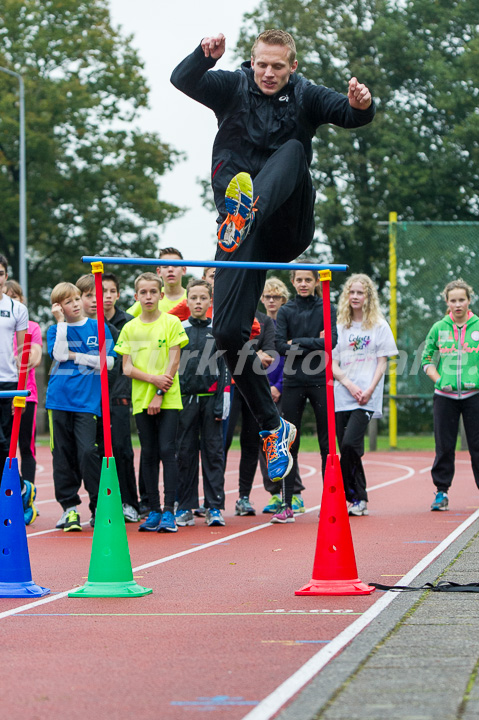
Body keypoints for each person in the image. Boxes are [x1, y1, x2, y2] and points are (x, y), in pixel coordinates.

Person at [171, 29, 375, 484]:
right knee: (226, 332)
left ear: (292, 68)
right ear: (252, 62)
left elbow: (351, 115)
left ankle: (249, 208)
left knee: (294, 149)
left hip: (285, 224)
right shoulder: (231, 85)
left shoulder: (305, 95)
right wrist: (202, 57)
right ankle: (271, 425)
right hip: (239, 235)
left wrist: (361, 103)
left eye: (278, 67)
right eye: (262, 65)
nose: (268, 74)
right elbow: (181, 80)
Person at [115, 272, 188, 533]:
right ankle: (154, 510)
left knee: (167, 451)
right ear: (136, 297)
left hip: (168, 399)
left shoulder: (171, 323)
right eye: (143, 293)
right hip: (140, 400)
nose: (148, 297)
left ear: (161, 295)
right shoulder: (130, 327)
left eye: (152, 292)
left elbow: (174, 359)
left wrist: (160, 391)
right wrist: (152, 380)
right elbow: (126, 367)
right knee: (148, 453)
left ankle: (170, 510)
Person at [46, 282, 115, 531]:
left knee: (87, 452)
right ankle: (70, 509)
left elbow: (108, 363)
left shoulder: (99, 327)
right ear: (59, 307)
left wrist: (78, 356)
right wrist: (61, 323)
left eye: (77, 299)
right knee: (62, 455)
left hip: (87, 402)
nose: (75, 304)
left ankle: (97, 507)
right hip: (59, 399)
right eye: (68, 302)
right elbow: (60, 355)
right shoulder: (56, 329)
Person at [274, 266, 337, 523]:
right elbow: (279, 346)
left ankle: (330, 503)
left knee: (327, 444)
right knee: (289, 443)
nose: (303, 283)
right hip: (293, 382)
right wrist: (313, 341)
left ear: (314, 282)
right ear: (292, 281)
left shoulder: (327, 308)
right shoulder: (286, 310)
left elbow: (331, 342)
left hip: (321, 380)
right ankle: (287, 505)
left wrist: (295, 343)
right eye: (299, 279)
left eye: (307, 279)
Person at [76, 273, 140, 523]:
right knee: (96, 452)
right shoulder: (82, 324)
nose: (105, 297)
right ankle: (101, 504)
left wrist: (112, 388)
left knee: (122, 450)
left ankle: (130, 503)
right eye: (99, 293)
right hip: (91, 400)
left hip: (118, 396)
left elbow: (120, 364)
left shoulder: (122, 325)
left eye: (110, 291)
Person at [332, 274, 398, 516]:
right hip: (343, 395)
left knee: (350, 444)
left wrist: (368, 390)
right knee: (348, 448)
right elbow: (333, 363)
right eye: (352, 292)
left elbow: (383, 363)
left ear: (369, 296)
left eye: (360, 293)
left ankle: (356, 496)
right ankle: (355, 499)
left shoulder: (379, 325)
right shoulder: (339, 326)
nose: (355, 297)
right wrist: (349, 384)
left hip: (366, 398)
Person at [421, 279, 479, 512]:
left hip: (474, 395)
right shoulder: (438, 328)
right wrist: (440, 380)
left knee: (477, 445)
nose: (457, 305)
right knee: (444, 445)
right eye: (453, 300)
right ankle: (441, 492)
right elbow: (426, 360)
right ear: (447, 302)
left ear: (469, 300)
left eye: (461, 300)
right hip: (444, 398)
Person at [176, 279, 227, 527]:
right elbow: (172, 367)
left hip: (211, 401)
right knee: (184, 454)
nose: (198, 302)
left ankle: (214, 507)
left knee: (213, 454)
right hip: (184, 402)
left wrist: (221, 403)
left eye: (202, 298)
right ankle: (185, 506)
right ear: (187, 300)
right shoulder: (179, 329)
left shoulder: (217, 330)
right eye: (193, 297)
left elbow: (225, 368)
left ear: (209, 301)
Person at [258, 277, 305, 514]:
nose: (271, 301)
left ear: (283, 299)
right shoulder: (259, 324)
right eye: (267, 296)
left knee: (286, 440)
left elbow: (290, 358)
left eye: (276, 296)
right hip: (262, 390)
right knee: (266, 441)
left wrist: (278, 386)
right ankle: (274, 493)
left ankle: (293, 492)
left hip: (285, 388)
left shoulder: (288, 323)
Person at [224, 307, 275, 516]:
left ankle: (243, 497)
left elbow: (269, 355)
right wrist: (254, 354)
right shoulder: (225, 314)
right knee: (222, 441)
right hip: (227, 386)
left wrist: (248, 355)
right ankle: (214, 499)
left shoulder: (264, 321)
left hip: (253, 386)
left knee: (251, 442)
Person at [0, 256, 36, 525]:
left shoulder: (16, 309)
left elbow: (24, 353)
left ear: (6, 276)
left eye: (0, 273)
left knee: (8, 446)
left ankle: (18, 489)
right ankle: (21, 488)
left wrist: (21, 392)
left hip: (10, 383)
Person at [5, 280, 43, 492]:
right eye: (7, 297)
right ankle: (15, 490)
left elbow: (34, 358)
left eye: (15, 297)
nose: (11, 302)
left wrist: (19, 358)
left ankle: (28, 495)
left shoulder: (33, 327)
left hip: (25, 396)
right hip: (3, 395)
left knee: (25, 448)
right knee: (4, 447)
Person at [127, 247, 186, 317]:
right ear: (159, 271)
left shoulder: (193, 297)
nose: (170, 269)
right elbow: (124, 319)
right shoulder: (149, 296)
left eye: (175, 265)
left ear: (184, 270)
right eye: (165, 266)